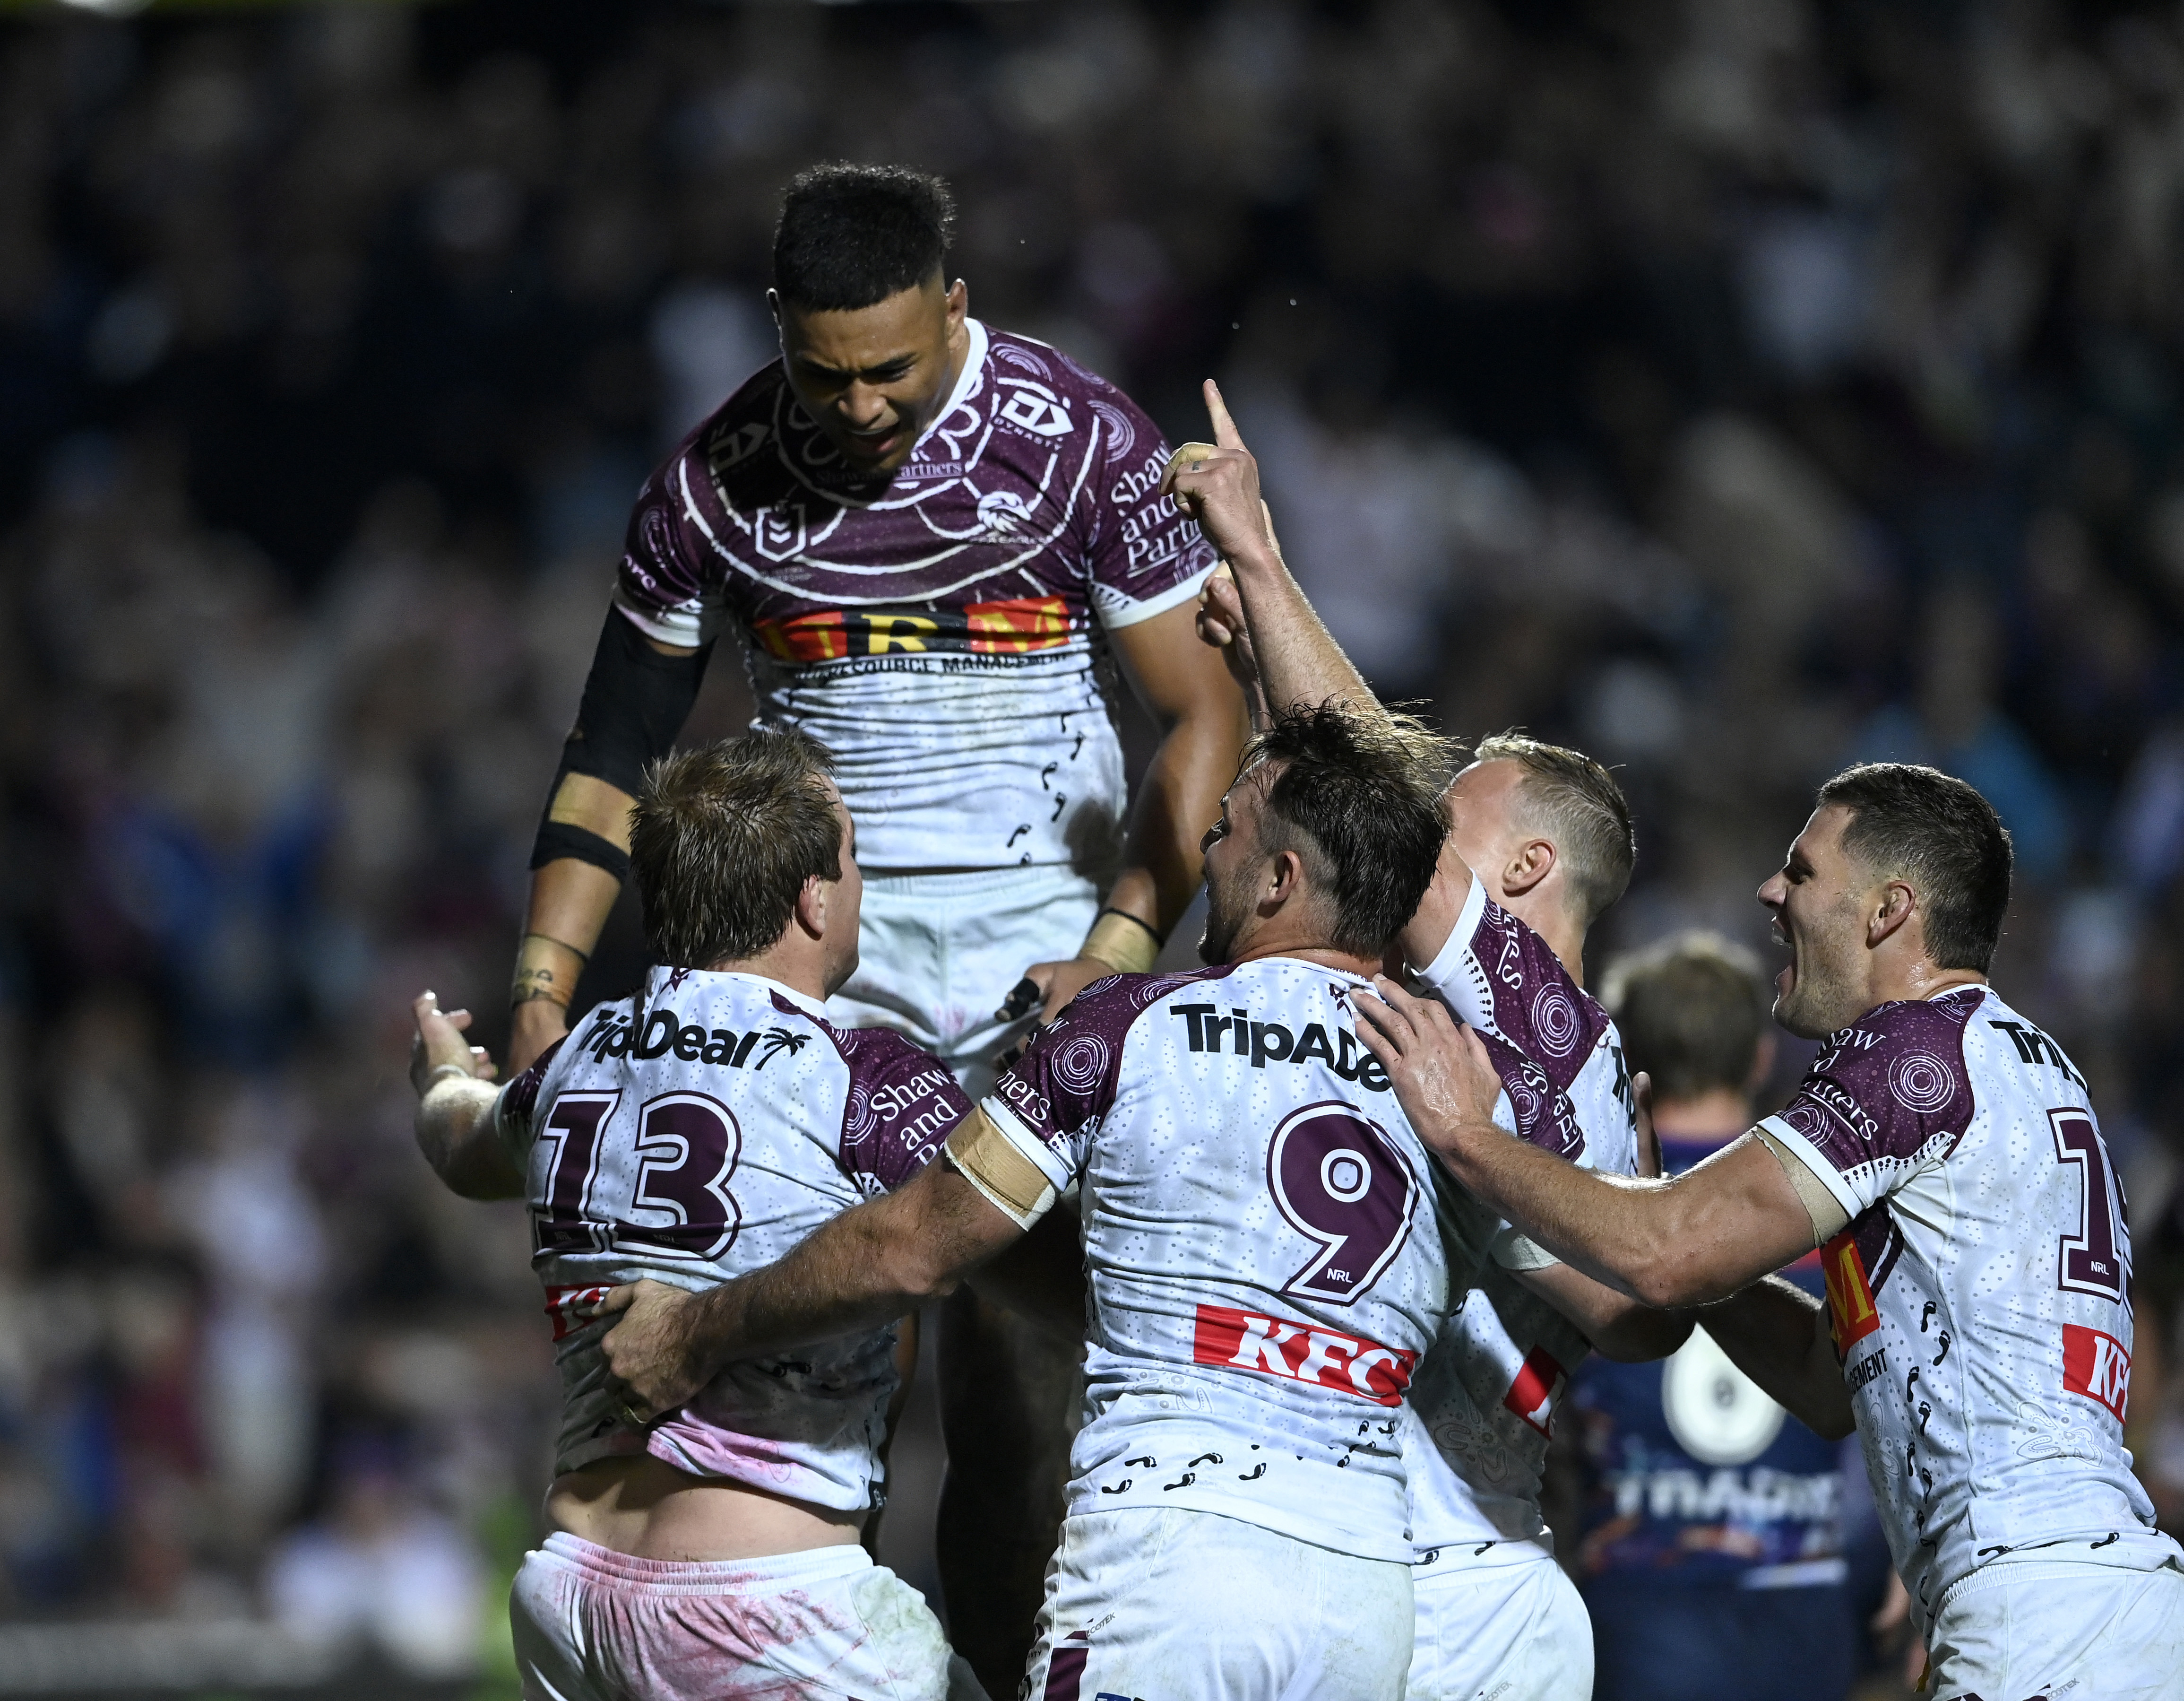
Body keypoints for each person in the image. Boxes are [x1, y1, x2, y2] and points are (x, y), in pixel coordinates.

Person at [506, 163, 1244, 1684]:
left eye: (891, 371)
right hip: (815, 981)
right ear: (778, 327)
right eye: (823, 372)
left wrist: (1115, 953)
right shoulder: (710, 484)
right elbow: (607, 749)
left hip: (1044, 960)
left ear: (955, 308)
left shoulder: (1076, 443)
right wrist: (541, 985)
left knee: (1018, 1382)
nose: (855, 409)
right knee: (793, 1369)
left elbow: (1200, 716)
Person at [590, 700, 1492, 1699]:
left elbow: (919, 1243)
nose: (1206, 852)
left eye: (1224, 832)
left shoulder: (1123, 1023)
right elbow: (1627, 1300)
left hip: (1166, 1565)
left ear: (1283, 877)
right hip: (1367, 1587)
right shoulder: (1460, 1082)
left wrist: (697, 1332)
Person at [1355, 761, 2184, 1700]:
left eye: (1801, 871)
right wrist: (1675, 1229)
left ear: (1886, 911)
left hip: (2036, 1612)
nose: (1769, 891)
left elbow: (1662, 1254)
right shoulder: (2033, 1065)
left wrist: (1469, 1138)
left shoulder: (1910, 1048)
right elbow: (1827, 1384)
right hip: (2104, 1599)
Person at [1166, 385, 1684, 1701]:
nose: (1404, 848)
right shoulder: (1518, 1034)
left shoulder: (1540, 1024)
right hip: (1422, 1562)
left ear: (1519, 865)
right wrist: (1265, 662)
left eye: (1443, 835)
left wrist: (1259, 555)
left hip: (1443, 1583)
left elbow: (1372, 805)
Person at [408, 728, 1057, 1701]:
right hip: (760, 1612)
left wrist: (443, 1075)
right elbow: (1042, 1270)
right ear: (812, 896)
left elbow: (463, 1142)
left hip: (572, 1596)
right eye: (851, 861)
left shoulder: (577, 1059)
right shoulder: (865, 1078)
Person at [1567, 931, 1855, 1701]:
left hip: (1639, 1597)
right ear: (1761, 1058)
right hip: (1804, 1601)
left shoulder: (1591, 1206)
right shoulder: (1827, 1215)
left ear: (1631, 1061)